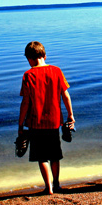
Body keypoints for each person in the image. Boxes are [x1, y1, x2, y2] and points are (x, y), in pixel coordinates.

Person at [18, 41, 75, 195]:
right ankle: (57, 184)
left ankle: (48, 188)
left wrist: (20, 123)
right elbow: (66, 95)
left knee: (41, 157)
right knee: (55, 155)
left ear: (29, 59)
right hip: (55, 121)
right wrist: (70, 115)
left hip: (35, 123)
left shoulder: (28, 75)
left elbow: (25, 102)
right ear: (44, 55)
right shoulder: (56, 71)